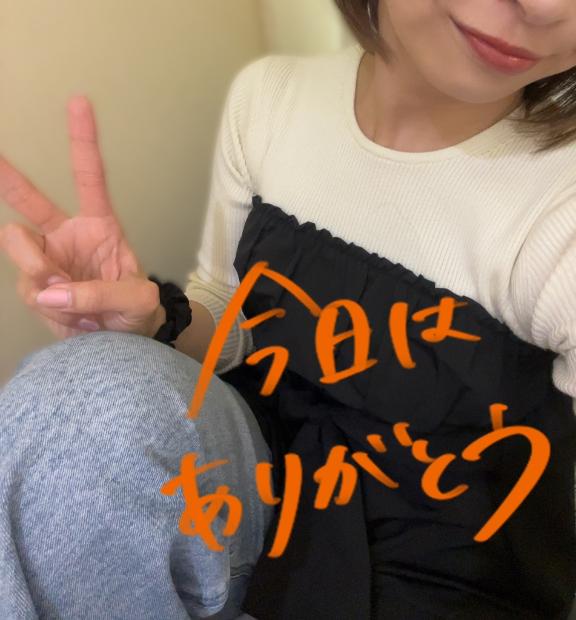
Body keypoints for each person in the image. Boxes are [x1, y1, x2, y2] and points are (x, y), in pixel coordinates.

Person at [1, 0, 576, 618]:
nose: (547, 5)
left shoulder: (559, 211)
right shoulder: (270, 98)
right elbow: (233, 313)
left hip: (449, 559)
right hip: (266, 464)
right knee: (74, 395)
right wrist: (151, 322)